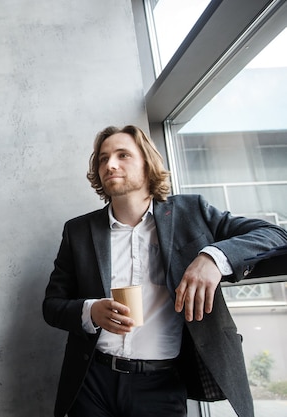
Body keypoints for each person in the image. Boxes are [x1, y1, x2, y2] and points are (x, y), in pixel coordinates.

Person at [42, 125, 287, 417]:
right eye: (103, 158)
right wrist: (90, 312)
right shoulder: (79, 231)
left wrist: (213, 257)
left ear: (147, 164)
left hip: (161, 384)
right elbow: (52, 306)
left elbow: (273, 234)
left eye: (123, 155)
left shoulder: (190, 211)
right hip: (93, 380)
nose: (110, 164)